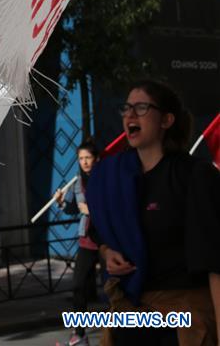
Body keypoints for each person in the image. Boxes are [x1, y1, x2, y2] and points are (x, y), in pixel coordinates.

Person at [87, 81, 220, 346]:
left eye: (142, 107)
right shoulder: (113, 176)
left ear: (167, 120)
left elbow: (216, 261)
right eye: (126, 108)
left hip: (183, 321)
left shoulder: (194, 175)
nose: (130, 115)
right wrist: (107, 251)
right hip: (130, 317)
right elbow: (99, 231)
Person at [55, 138, 100, 346]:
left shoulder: (105, 179)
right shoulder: (77, 182)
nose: (84, 162)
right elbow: (74, 208)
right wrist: (61, 202)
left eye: (88, 158)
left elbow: (114, 208)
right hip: (86, 240)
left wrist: (92, 211)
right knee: (78, 286)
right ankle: (80, 333)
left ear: (96, 159)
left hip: (107, 240)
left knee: (115, 288)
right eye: (81, 158)